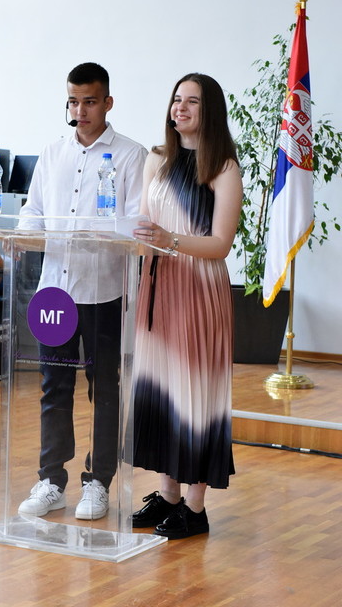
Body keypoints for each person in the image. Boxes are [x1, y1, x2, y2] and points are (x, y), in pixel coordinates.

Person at [17, 62, 147, 520]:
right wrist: (22, 236)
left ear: (107, 103)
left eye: (89, 102)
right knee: (53, 387)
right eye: (73, 102)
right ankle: (51, 481)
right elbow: (32, 211)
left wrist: (101, 234)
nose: (80, 111)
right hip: (54, 292)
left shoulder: (131, 155)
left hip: (103, 291)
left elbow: (136, 223)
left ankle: (98, 482)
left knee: (103, 390)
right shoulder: (52, 153)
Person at [131, 72, 243, 539]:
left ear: (209, 110)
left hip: (199, 288)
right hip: (158, 286)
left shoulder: (223, 167)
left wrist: (169, 239)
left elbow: (220, 243)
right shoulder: (158, 159)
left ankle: (195, 508)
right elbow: (143, 224)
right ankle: (169, 496)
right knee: (161, 389)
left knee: (196, 395)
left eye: (192, 101)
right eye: (177, 99)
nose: (180, 107)